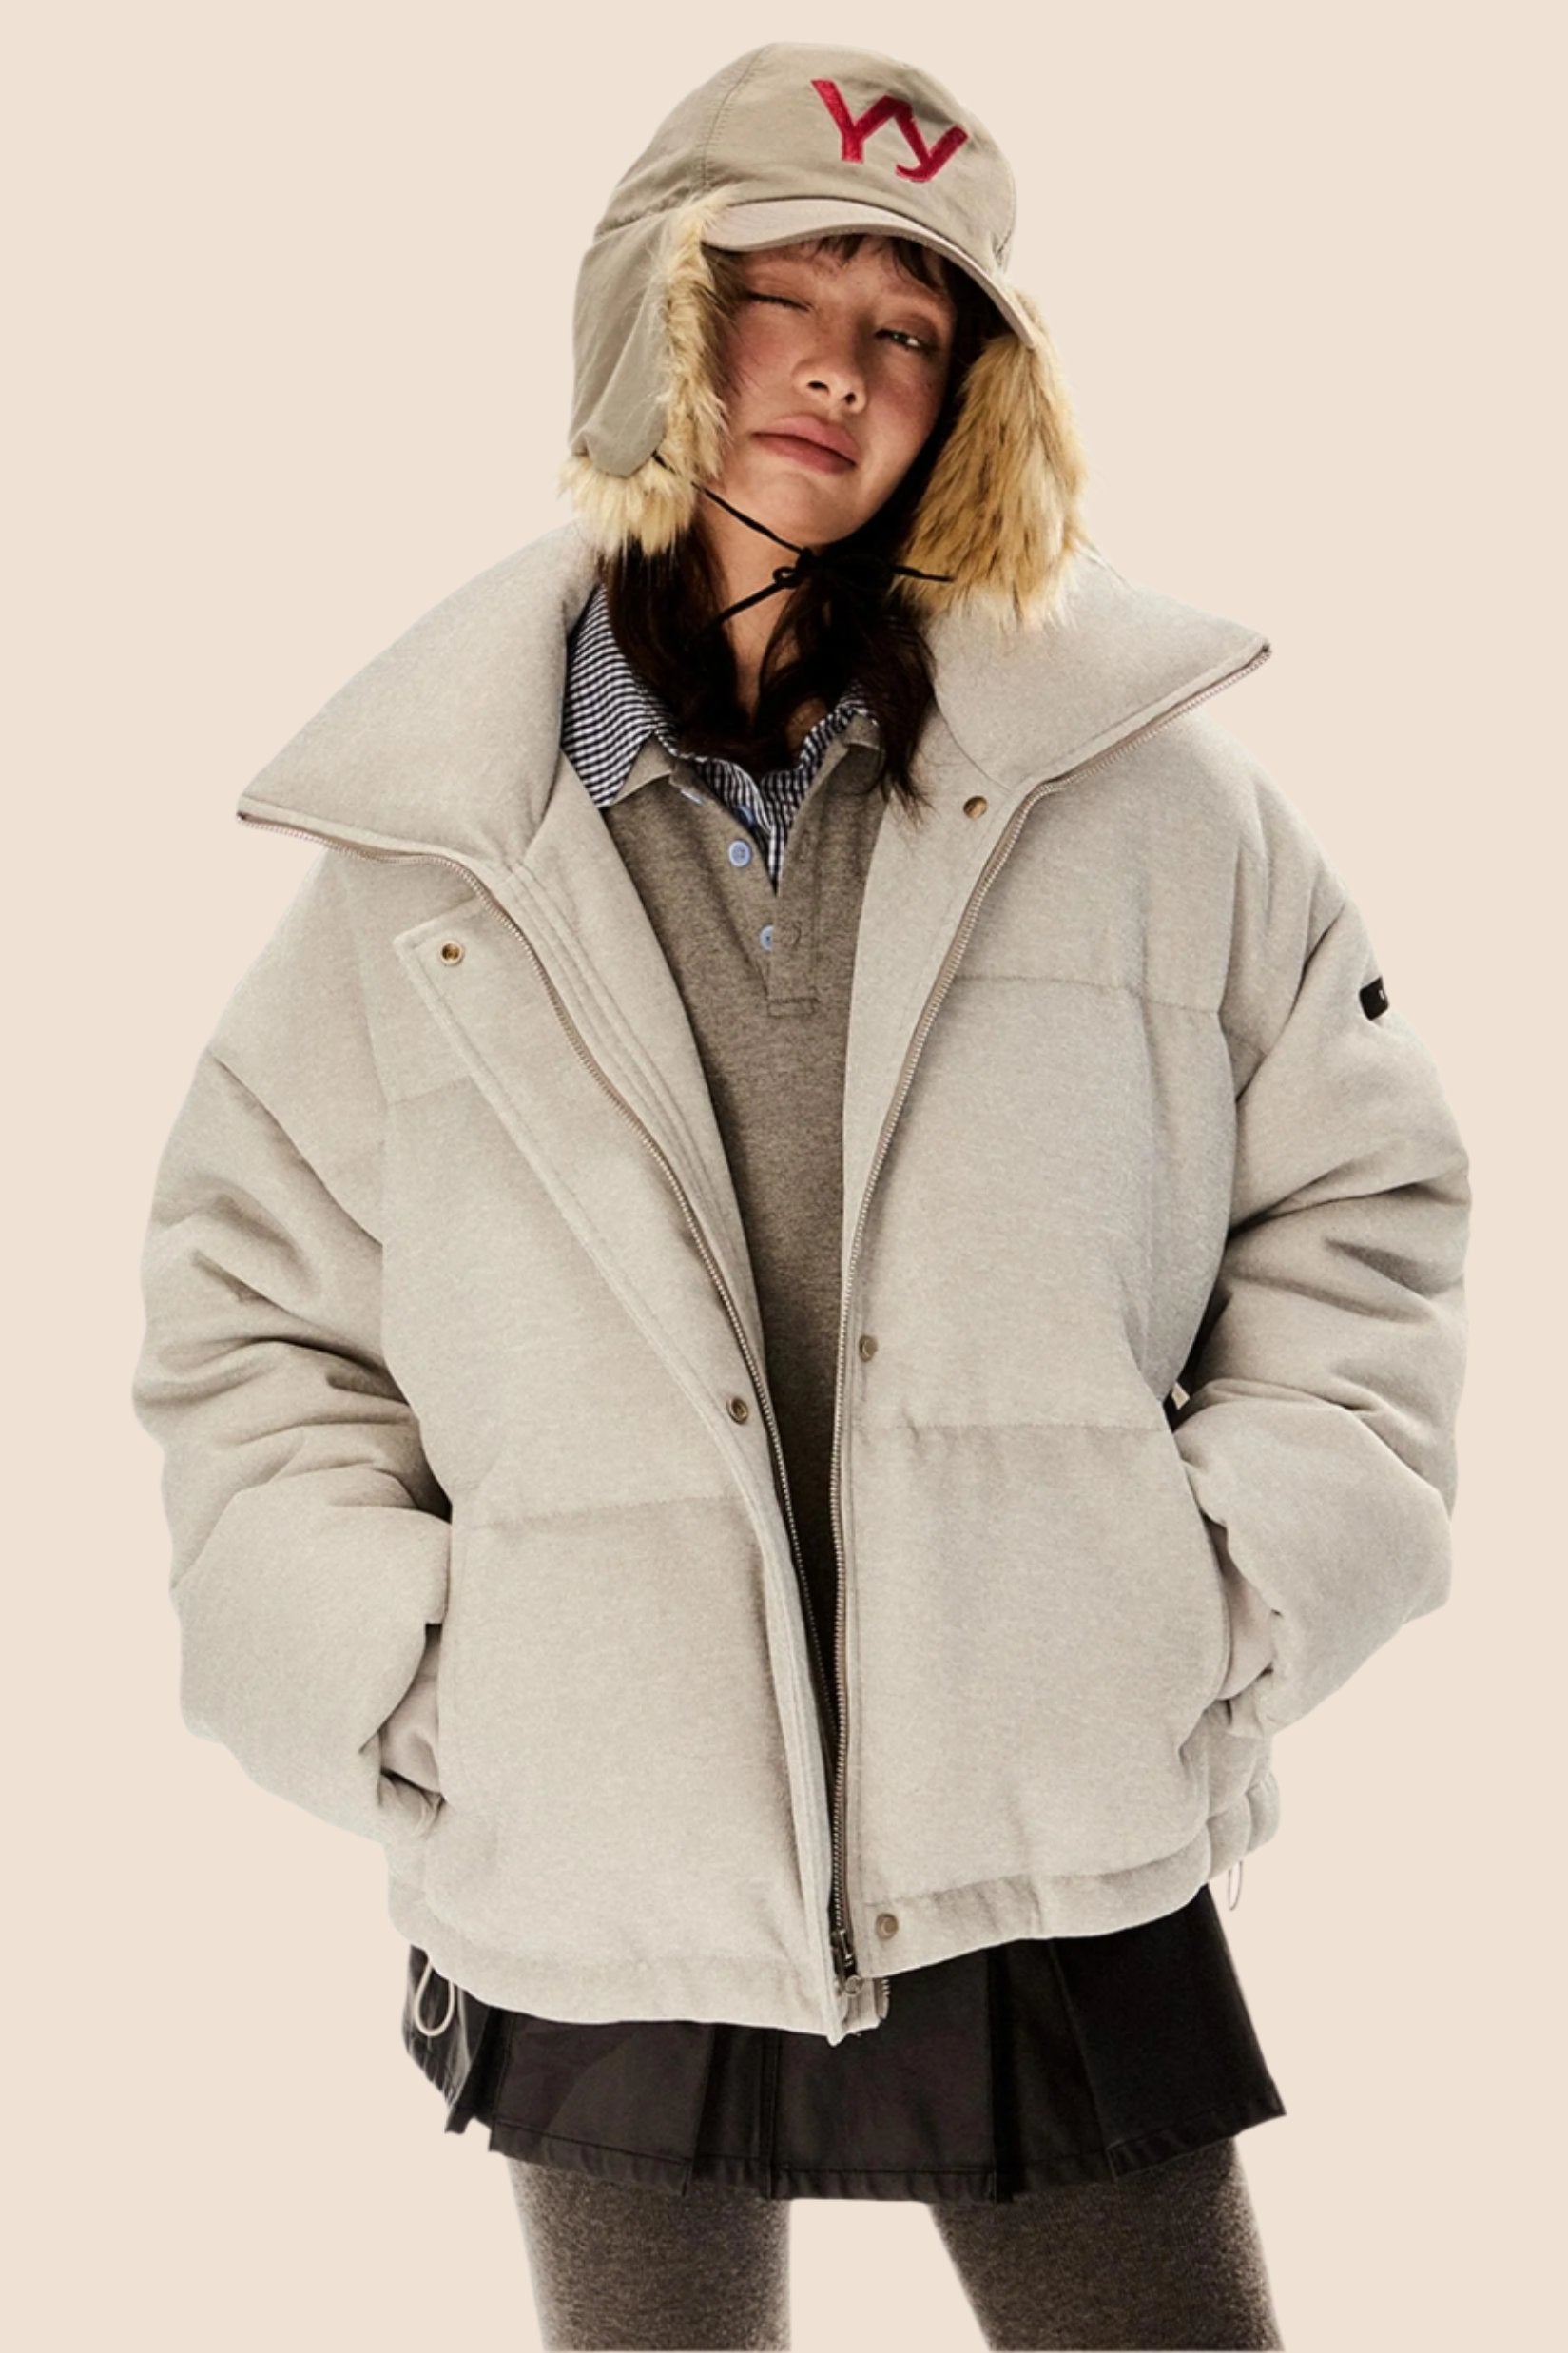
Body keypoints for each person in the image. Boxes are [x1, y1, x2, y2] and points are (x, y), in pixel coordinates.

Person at [130, 40, 1471, 2353]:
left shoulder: (1153, 807)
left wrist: (1217, 1589)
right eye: (785, 295)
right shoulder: (427, 861)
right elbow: (251, 1316)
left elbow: (1361, 1206)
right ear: (658, 312)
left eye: (909, 329)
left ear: (969, 402)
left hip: (1045, 1808)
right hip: (604, 1832)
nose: (840, 370)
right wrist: (420, 1678)